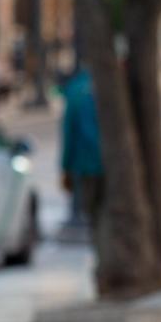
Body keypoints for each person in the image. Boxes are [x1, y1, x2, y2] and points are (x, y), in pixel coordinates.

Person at [59, 68, 103, 234]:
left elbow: (69, 132)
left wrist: (66, 166)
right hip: (109, 163)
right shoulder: (109, 86)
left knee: (89, 210)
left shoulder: (75, 90)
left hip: (84, 162)